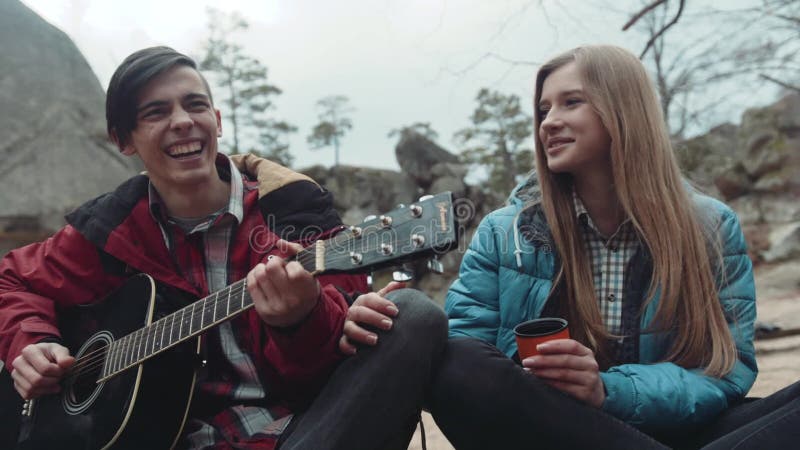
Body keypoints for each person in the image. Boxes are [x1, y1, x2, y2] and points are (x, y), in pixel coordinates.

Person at [0, 46, 447, 450]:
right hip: (156, 437)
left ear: (217, 120)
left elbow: (329, 368)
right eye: (157, 112)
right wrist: (32, 343)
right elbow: (11, 279)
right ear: (124, 139)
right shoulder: (109, 229)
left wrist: (301, 320)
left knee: (412, 315)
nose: (182, 121)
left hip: (295, 432)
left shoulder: (295, 212)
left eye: (194, 105)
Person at [427, 45, 800, 449]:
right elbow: (467, 369)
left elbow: (724, 372)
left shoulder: (710, 227)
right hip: (551, 433)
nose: (549, 122)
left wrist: (607, 390)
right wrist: (548, 384)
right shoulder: (504, 232)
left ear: (625, 110)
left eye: (571, 102)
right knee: (457, 359)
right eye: (543, 110)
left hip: (672, 430)